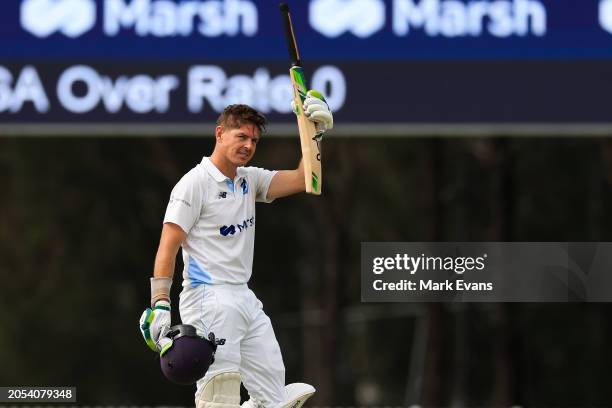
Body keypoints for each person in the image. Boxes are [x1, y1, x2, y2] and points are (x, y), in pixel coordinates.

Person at [139, 91, 333, 408]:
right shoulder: (194, 183)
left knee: (275, 399)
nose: (248, 146)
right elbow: (167, 247)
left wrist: (315, 133)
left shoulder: (248, 180)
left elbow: (303, 180)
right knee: (219, 395)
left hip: (245, 298)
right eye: (241, 136)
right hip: (207, 297)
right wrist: (160, 303)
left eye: (254, 141)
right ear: (220, 133)